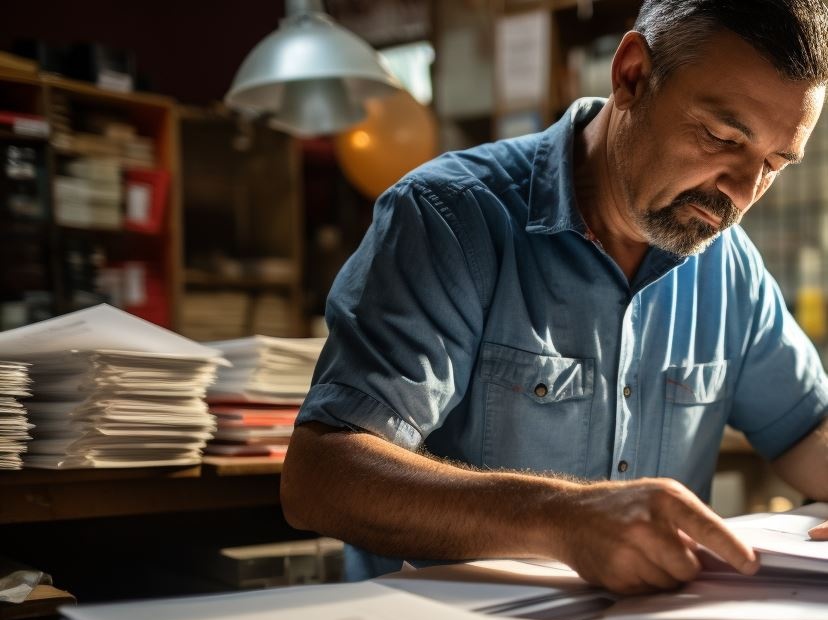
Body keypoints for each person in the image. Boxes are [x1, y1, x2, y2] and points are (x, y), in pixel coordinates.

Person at [281, 0, 828, 594]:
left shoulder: (728, 264)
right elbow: (320, 478)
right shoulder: (452, 218)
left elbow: (808, 435)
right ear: (632, 76)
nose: (743, 194)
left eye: (774, 164)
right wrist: (562, 519)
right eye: (722, 138)